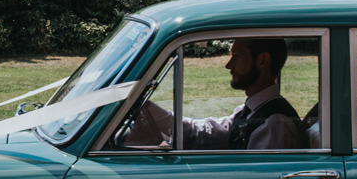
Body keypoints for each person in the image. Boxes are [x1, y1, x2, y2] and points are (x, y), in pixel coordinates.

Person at [127, 36, 310, 150]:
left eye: (237, 56)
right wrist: (147, 107)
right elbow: (202, 132)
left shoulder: (274, 123)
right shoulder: (249, 111)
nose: (228, 65)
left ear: (263, 60)